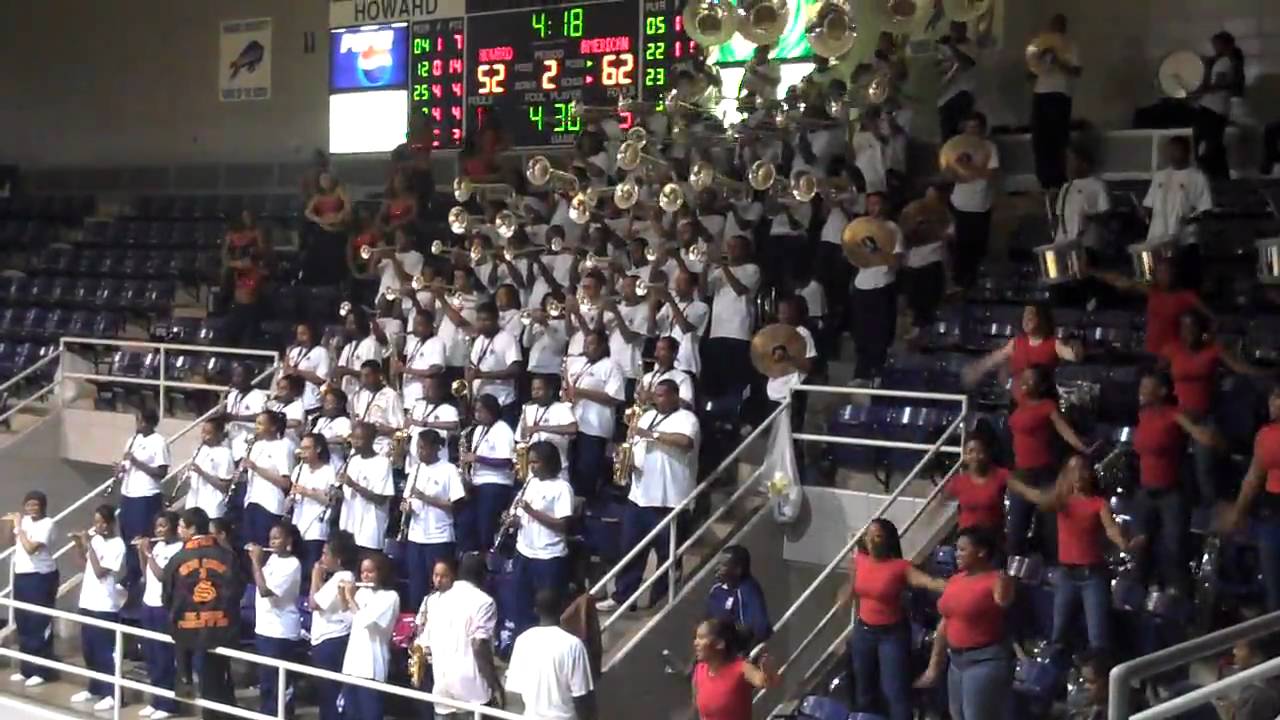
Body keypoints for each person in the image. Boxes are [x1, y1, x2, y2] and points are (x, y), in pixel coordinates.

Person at [1007, 455, 1139, 657]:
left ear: (1090, 474)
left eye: (1082, 470)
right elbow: (1036, 496)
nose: (1077, 475)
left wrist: (1123, 543)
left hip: (1092, 576)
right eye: (1072, 470)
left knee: (1098, 638)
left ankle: (1099, 672)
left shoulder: (1098, 503)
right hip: (1066, 575)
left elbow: (1111, 529)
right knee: (1058, 635)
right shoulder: (1062, 501)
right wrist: (1013, 482)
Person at [599, 380, 700, 612]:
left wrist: (651, 434)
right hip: (639, 497)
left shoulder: (687, 418)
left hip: (671, 500)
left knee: (667, 555)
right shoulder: (645, 417)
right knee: (630, 550)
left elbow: (685, 442)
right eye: (655, 395)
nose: (657, 399)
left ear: (675, 396)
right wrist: (626, 462)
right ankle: (623, 598)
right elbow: (637, 448)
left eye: (662, 395)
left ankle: (660, 602)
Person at [837, 519, 946, 720]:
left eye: (877, 536)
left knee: (894, 690)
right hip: (864, 632)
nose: (871, 540)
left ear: (887, 540)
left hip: (891, 635)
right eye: (868, 535)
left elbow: (928, 582)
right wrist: (842, 599)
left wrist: (955, 586)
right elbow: (851, 586)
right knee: (864, 688)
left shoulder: (900, 567)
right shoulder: (859, 560)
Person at [1161, 311, 1269, 505]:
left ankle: (1210, 510)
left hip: (1204, 418)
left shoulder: (1213, 351)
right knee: (1170, 465)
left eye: (1192, 327)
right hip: (1178, 418)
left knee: (1205, 470)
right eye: (1184, 327)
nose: (1187, 332)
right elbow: (1157, 377)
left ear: (1200, 330)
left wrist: (1270, 372)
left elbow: (1241, 368)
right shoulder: (1172, 351)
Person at [1132, 371, 1220, 595]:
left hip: (1171, 495)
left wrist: (1208, 437)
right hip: (1144, 492)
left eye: (1147, 386)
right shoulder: (1142, 414)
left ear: (1162, 391)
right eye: (1141, 386)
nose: (1141, 391)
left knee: (1174, 551)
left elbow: (1201, 435)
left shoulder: (1174, 414)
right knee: (1140, 550)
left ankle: (1179, 598)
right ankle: (1138, 597)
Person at [915, 527, 1016, 720]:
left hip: (985, 662)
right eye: (956, 549)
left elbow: (1004, 601)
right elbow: (946, 621)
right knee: (957, 715)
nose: (956, 554)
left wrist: (1006, 584)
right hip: (956, 661)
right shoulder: (955, 580)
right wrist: (934, 666)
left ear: (981, 552)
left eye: (962, 550)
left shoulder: (996, 579)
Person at [163, 508, 243, 720]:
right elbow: (238, 590)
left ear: (192, 529)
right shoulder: (227, 556)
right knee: (221, 681)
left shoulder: (178, 558)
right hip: (222, 629)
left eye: (181, 526)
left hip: (189, 632)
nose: (178, 530)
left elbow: (167, 595)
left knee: (208, 687)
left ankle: (188, 684)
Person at [1006, 366, 1092, 560]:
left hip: (1044, 475)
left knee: (1049, 529)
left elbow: (1064, 431)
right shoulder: (1019, 401)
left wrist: (1082, 447)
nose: (1025, 382)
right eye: (1024, 378)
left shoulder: (1047, 406)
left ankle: (1050, 568)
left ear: (1041, 385)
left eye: (1030, 379)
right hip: (1021, 474)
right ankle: (1013, 570)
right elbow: (1007, 375)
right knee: (1016, 531)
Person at [423, 553, 504, 714]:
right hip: (473, 689)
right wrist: (494, 684)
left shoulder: (435, 600)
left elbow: (428, 645)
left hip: (442, 683)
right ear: (483, 575)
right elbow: (479, 645)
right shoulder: (484, 602)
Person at [510, 441, 576, 638]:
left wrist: (532, 511)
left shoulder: (562, 488)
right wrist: (513, 520)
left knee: (548, 611)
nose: (531, 467)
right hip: (524, 552)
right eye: (530, 462)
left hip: (548, 557)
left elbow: (563, 525)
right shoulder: (530, 483)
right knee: (521, 606)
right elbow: (520, 516)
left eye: (536, 462)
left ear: (549, 462)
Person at [1226, 385, 1280, 611]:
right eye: (1273, 396)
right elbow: (1254, 477)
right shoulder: (1265, 435)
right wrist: (1238, 512)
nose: (1273, 403)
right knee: (1274, 591)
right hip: (1272, 513)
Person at [506, 588, 598, 720]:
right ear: (562, 609)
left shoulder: (522, 640)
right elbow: (581, 696)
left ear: (536, 610)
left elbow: (515, 692)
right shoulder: (573, 644)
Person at [69, 504, 127, 712]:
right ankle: (94, 688)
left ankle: (113, 694)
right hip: (87, 601)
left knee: (105, 652)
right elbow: (82, 564)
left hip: (105, 605)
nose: (99, 526)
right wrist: (79, 545)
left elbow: (100, 571)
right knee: (89, 650)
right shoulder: (95, 540)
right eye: (96, 522)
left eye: (103, 522)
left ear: (111, 523)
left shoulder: (118, 545)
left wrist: (89, 546)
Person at [400, 430, 466, 611]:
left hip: (439, 537)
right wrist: (407, 507)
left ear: (436, 448)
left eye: (423, 448)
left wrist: (426, 498)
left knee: (438, 584)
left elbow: (456, 505)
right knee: (416, 584)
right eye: (418, 448)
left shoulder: (448, 470)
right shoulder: (415, 469)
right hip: (416, 535)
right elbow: (408, 498)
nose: (420, 452)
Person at [1094, 257, 1211, 357]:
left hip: (1173, 354)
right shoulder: (1153, 292)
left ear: (1175, 273)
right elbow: (1122, 281)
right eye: (1160, 272)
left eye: (1167, 271)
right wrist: (1093, 272)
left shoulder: (1186, 296)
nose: (1163, 275)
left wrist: (1201, 342)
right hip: (1150, 351)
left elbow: (1211, 318)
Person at [1141, 137, 1213, 287]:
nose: (1172, 154)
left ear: (1187, 152)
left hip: (1184, 240)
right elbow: (1149, 203)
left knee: (1184, 281)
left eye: (1176, 150)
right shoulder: (1159, 176)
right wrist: (1144, 211)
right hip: (1156, 237)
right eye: (1169, 150)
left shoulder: (1198, 177)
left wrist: (1189, 219)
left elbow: (1205, 209)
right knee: (1151, 278)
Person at [339, 551, 401, 720]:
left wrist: (350, 597)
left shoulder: (390, 597)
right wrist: (343, 597)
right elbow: (350, 621)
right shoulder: (362, 593)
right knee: (350, 715)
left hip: (372, 666)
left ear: (381, 573)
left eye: (370, 572)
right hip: (352, 665)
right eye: (362, 572)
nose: (365, 576)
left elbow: (366, 620)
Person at [962, 304, 1081, 392]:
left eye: (1031, 316)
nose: (1026, 320)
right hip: (1018, 400)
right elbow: (995, 359)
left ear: (1042, 319)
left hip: (1042, 398)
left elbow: (1073, 355)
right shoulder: (1016, 343)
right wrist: (977, 369)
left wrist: (1075, 347)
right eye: (1025, 316)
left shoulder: (1054, 344)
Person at [565, 331, 626, 501]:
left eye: (591, 344)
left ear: (602, 347)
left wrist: (581, 392)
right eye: (585, 344)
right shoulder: (578, 365)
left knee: (588, 470)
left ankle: (588, 505)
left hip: (595, 428)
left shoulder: (611, 366)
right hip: (574, 422)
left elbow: (615, 398)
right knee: (571, 466)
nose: (586, 347)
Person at [850, 192, 904, 381]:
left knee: (880, 334)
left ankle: (877, 374)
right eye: (871, 204)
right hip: (861, 286)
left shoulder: (893, 229)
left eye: (878, 203)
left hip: (883, 285)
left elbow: (897, 262)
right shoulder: (860, 228)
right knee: (861, 333)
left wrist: (877, 251)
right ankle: (861, 373)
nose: (874, 208)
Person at [6, 491, 57, 688]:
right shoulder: (24, 521)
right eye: (28, 505)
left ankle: (42, 671)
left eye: (35, 505)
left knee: (39, 623)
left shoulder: (47, 524)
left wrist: (19, 527)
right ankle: (26, 669)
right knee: (23, 622)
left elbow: (30, 548)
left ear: (43, 506)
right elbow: (10, 542)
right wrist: (10, 525)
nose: (31, 509)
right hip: (22, 575)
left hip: (41, 577)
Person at [136, 511, 184, 720]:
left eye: (163, 526)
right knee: (151, 655)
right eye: (157, 526)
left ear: (173, 527)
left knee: (164, 656)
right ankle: (155, 700)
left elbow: (164, 576)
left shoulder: (179, 549)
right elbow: (147, 574)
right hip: (148, 604)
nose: (159, 530)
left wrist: (148, 553)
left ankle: (168, 704)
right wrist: (142, 553)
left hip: (164, 607)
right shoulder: (157, 547)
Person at [702, 235, 761, 400]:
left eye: (735, 247)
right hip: (717, 332)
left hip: (739, 333)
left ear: (746, 250)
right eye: (729, 246)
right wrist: (704, 267)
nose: (730, 250)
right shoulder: (718, 271)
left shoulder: (752, 269)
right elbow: (703, 292)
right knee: (716, 382)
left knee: (735, 381)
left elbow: (740, 289)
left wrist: (723, 265)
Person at [116, 407, 170, 587]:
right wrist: (120, 469)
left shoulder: (158, 442)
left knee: (142, 535)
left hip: (146, 495)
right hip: (128, 493)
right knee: (127, 534)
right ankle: (131, 572)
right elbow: (126, 465)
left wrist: (136, 462)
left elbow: (161, 472)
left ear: (147, 422)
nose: (137, 424)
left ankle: (144, 573)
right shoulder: (132, 440)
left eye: (139, 420)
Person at [308, 530, 358, 720]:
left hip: (332, 641)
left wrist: (315, 576)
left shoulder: (342, 577)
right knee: (326, 695)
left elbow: (314, 603)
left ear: (338, 558)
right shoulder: (338, 577)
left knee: (330, 696)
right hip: (326, 640)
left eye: (325, 554)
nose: (322, 559)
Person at [947, 112, 1000, 289]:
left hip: (981, 205)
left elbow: (992, 175)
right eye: (969, 128)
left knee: (978, 249)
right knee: (959, 249)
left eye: (976, 127)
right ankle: (958, 285)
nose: (972, 132)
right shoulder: (955, 147)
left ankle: (974, 286)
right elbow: (949, 174)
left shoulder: (989, 147)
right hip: (959, 204)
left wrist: (969, 167)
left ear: (983, 130)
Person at [1029, 13, 1081, 190]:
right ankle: (1043, 179)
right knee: (1040, 138)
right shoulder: (1039, 45)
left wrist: (1058, 60)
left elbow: (1076, 72)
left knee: (1057, 138)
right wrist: (1040, 59)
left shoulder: (1070, 45)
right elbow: (1030, 74)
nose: (1055, 28)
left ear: (1064, 27)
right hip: (1040, 93)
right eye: (1053, 24)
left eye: (1059, 24)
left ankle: (1058, 179)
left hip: (1060, 94)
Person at [690, 618, 779, 720]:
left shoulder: (741, 668)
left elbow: (766, 682)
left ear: (719, 644)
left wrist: (768, 669)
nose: (695, 643)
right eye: (695, 638)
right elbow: (697, 707)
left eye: (701, 638)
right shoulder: (699, 670)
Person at [461, 394, 516, 553]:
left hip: (496, 484)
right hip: (477, 483)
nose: (477, 415)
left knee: (485, 528)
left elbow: (507, 462)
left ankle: (488, 558)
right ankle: (471, 557)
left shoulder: (503, 429)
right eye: (476, 411)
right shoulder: (479, 430)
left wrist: (477, 458)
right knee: (467, 524)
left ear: (491, 411)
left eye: (480, 411)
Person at [241, 410, 295, 547]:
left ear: (273, 427)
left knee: (263, 545)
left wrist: (256, 468)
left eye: (260, 424)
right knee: (249, 546)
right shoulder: (256, 445)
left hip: (269, 504)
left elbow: (285, 482)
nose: (256, 427)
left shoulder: (283, 446)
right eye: (256, 423)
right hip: (251, 500)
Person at [339, 423, 395, 552]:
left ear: (371, 440)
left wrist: (354, 485)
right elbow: (348, 493)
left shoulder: (382, 463)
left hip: (370, 529)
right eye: (353, 438)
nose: (355, 442)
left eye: (360, 439)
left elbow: (381, 499)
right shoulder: (353, 460)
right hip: (350, 527)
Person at [469, 301, 525, 427]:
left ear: (496, 320)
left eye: (486, 320)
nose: (482, 324)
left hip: (503, 401)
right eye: (479, 320)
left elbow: (515, 370)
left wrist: (482, 375)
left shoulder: (508, 338)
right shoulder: (478, 341)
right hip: (482, 401)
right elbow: (473, 368)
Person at [764, 295, 817, 430]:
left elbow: (808, 366)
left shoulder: (803, 334)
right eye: (780, 312)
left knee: (791, 434)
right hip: (774, 392)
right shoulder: (775, 333)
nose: (781, 316)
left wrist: (788, 357)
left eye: (785, 312)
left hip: (793, 391)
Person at [290, 432, 336, 580]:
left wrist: (308, 492)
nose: (302, 452)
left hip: (316, 527)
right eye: (301, 448)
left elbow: (330, 500)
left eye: (307, 448)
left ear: (318, 449)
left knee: (310, 570)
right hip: (298, 523)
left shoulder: (329, 471)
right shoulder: (299, 469)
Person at [652, 270, 711, 386]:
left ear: (693, 288)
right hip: (663, 364)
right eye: (676, 282)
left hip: (686, 364)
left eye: (681, 283)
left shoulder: (701, 307)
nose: (677, 286)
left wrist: (671, 301)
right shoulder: (668, 306)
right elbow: (651, 330)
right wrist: (652, 303)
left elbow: (685, 328)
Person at [945, 434, 1010, 537]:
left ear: (987, 454)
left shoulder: (1001, 475)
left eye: (980, 452)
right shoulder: (958, 481)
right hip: (967, 536)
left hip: (992, 535)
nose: (975, 456)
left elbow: (1022, 488)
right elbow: (941, 501)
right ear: (964, 456)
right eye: (970, 452)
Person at [222, 211, 272, 344]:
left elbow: (263, 255)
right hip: (237, 306)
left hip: (252, 307)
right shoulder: (235, 268)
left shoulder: (259, 268)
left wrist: (252, 261)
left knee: (248, 339)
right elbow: (226, 258)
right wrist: (235, 263)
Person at [1195, 32, 1238, 180]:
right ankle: (1220, 176)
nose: (1214, 47)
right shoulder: (1227, 61)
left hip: (1212, 108)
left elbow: (1218, 84)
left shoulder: (1224, 62)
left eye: (1216, 44)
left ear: (1225, 45)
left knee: (1209, 143)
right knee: (1214, 143)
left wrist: (1200, 89)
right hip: (1216, 108)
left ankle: (1212, 173)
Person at [517, 374, 578, 477]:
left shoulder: (561, 408)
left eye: (539, 389)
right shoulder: (529, 409)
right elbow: (521, 438)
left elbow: (572, 428)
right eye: (533, 389)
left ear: (550, 391)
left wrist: (539, 428)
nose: (535, 392)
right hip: (533, 468)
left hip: (557, 467)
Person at [1053, 145, 1111, 250]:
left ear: (1084, 164)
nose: (1068, 165)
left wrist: (1089, 219)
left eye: (1072, 161)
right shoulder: (1066, 187)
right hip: (1063, 243)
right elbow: (1060, 215)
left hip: (1087, 243)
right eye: (1067, 161)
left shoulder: (1097, 185)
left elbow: (1105, 214)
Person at [303, 171, 352, 286]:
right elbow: (307, 212)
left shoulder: (339, 191)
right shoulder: (318, 197)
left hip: (338, 230)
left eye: (327, 179)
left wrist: (339, 217)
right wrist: (319, 220)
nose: (325, 182)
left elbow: (348, 206)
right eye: (323, 180)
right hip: (323, 230)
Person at [350, 359, 405, 459]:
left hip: (381, 445)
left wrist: (375, 429)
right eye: (362, 376)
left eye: (367, 376)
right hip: (360, 445)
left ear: (379, 375)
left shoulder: (391, 396)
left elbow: (400, 429)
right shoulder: (359, 395)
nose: (364, 379)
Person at [182, 418, 235, 521]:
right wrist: (186, 478)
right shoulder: (200, 450)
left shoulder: (225, 454)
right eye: (203, 432)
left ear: (218, 434)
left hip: (211, 508)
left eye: (208, 433)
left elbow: (225, 486)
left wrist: (202, 473)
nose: (204, 436)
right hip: (193, 504)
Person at [1217, 637, 1280, 720]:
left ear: (1257, 656)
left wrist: (1232, 713)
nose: (1234, 651)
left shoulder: (1255, 696)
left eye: (1240, 648)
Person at [396, 308, 446, 410]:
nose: (414, 328)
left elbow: (435, 370)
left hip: (422, 398)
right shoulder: (413, 343)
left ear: (429, 327)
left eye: (419, 325)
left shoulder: (437, 342)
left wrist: (405, 370)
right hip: (408, 398)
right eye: (414, 324)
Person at [279, 322, 331, 417]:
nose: (300, 336)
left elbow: (321, 378)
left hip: (310, 401)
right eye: (298, 333)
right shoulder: (294, 351)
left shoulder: (321, 352)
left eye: (303, 333)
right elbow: (284, 374)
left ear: (312, 334)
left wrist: (298, 372)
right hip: (293, 401)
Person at [937, 21, 978, 141]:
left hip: (962, 97)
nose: (956, 31)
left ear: (965, 29)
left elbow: (967, 64)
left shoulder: (971, 46)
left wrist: (951, 46)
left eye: (960, 28)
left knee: (962, 137)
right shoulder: (941, 48)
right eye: (954, 28)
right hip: (943, 99)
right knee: (946, 139)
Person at [636, 336, 695, 410]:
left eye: (662, 350)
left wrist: (653, 397)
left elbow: (687, 405)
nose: (656, 354)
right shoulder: (647, 377)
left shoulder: (682, 378)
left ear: (674, 354)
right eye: (656, 349)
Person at [313, 387, 353, 472]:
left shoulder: (344, 421)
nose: (325, 405)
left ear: (339, 405)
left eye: (328, 402)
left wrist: (323, 441)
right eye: (325, 402)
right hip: (318, 462)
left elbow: (345, 439)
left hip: (334, 462)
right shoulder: (321, 420)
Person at [269, 373, 308, 445]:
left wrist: (271, 423)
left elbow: (295, 422)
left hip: (289, 443)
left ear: (294, 391)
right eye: (278, 388)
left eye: (283, 388)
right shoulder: (278, 406)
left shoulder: (298, 405)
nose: (279, 392)